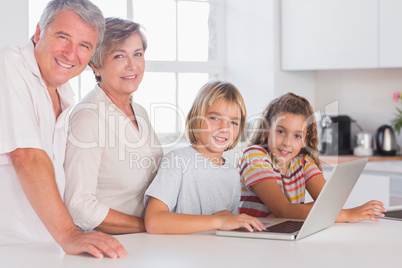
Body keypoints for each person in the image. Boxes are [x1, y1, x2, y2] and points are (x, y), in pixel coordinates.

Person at [0, 0, 126, 258]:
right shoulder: (8, 65)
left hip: (46, 248)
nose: (71, 53)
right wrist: (70, 235)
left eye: (84, 46)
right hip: (9, 249)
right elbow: (27, 156)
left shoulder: (65, 94)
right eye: (63, 37)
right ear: (38, 33)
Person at [64, 17, 163, 234]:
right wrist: (150, 226)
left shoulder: (140, 112)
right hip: (106, 246)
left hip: (145, 244)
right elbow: (80, 206)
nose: (132, 65)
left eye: (138, 54)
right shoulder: (88, 118)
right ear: (95, 66)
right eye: (119, 56)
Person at [238, 92, 386, 222]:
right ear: (266, 130)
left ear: (305, 140)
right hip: (253, 239)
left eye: (297, 136)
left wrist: (290, 211)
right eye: (281, 131)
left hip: (279, 235)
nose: (287, 142)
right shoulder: (255, 156)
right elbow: (283, 210)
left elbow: (331, 203)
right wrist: (346, 215)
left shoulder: (303, 163)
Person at [144, 81, 265, 234]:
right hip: (180, 253)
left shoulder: (232, 173)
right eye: (215, 118)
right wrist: (218, 220)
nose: (224, 128)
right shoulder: (176, 161)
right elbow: (154, 222)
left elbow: (229, 224)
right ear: (196, 118)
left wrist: (229, 218)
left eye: (233, 122)